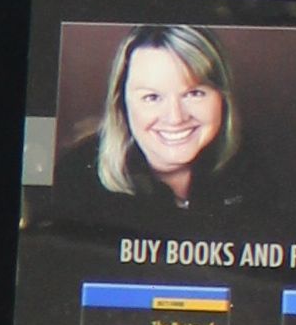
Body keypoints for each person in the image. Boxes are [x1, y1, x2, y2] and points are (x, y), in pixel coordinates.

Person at [95, 23, 238, 213]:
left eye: (194, 93)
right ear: (121, 104)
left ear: (223, 98)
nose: (175, 118)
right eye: (152, 97)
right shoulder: (77, 187)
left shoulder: (259, 173)